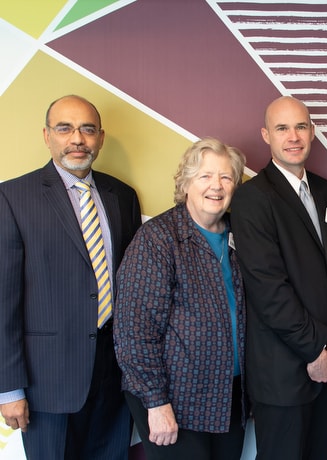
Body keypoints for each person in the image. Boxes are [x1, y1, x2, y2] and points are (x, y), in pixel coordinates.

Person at [0, 95, 141, 460]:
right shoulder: (13, 197)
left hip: (115, 374)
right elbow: (4, 301)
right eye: (65, 128)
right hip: (48, 380)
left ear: (101, 138)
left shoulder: (122, 196)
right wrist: (9, 389)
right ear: (47, 136)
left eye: (87, 129)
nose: (77, 138)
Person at [230, 96, 327, 460]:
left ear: (312, 132)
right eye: (282, 128)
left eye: (301, 126)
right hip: (283, 373)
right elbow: (269, 289)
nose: (293, 136)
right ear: (266, 135)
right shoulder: (252, 198)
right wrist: (315, 351)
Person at [114, 137, 247, 460]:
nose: (216, 186)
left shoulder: (240, 235)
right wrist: (156, 402)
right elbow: (134, 331)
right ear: (186, 183)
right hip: (176, 399)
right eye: (205, 176)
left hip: (229, 395)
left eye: (226, 177)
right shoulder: (158, 239)